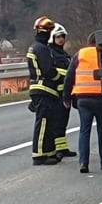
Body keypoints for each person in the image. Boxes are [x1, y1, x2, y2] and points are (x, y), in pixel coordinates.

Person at [63, 32, 102, 174]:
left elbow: (69, 77)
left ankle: (83, 163)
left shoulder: (80, 54)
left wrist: (66, 97)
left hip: (83, 98)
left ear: (88, 42)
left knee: (84, 131)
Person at [27, 16, 65, 165]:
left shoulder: (38, 47)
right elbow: (49, 70)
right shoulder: (41, 48)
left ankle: (49, 152)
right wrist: (62, 77)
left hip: (44, 90)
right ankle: (39, 156)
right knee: (42, 122)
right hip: (43, 89)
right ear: (47, 32)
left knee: (48, 122)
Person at [49, 23, 76, 158]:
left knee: (64, 120)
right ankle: (58, 149)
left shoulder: (63, 53)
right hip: (56, 93)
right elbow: (57, 71)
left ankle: (63, 148)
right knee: (58, 121)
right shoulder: (51, 53)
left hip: (65, 92)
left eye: (62, 36)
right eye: (58, 36)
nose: (61, 39)